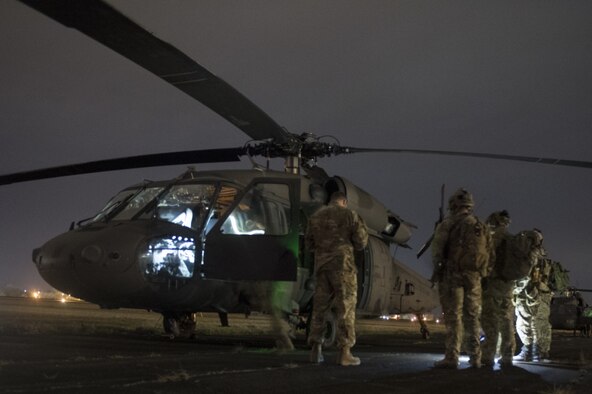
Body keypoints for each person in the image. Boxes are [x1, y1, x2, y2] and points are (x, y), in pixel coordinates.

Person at [431, 188, 493, 369]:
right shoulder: (481, 226)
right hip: (474, 278)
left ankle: (452, 357)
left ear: (453, 205)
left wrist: (439, 270)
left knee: (453, 317)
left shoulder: (448, 223)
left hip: (453, 277)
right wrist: (482, 273)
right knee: (473, 317)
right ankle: (475, 357)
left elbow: (437, 250)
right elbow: (491, 253)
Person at [305, 191, 368, 366]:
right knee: (345, 308)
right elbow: (361, 242)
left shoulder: (316, 216)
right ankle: (345, 353)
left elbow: (309, 244)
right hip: (343, 268)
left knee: (319, 309)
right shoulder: (350, 215)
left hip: (322, 268)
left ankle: (315, 350)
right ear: (344, 201)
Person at [481, 210, 516, 367]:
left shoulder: (493, 238)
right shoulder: (512, 239)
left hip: (493, 284)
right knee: (506, 321)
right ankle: (507, 355)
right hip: (508, 287)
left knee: (490, 320)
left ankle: (488, 355)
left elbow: (485, 259)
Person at [513, 236, 552, 362]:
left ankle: (532, 351)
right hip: (542, 293)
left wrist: (515, 289)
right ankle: (540, 351)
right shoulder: (542, 258)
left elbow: (524, 277)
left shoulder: (530, 257)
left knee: (525, 322)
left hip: (530, 293)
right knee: (540, 323)